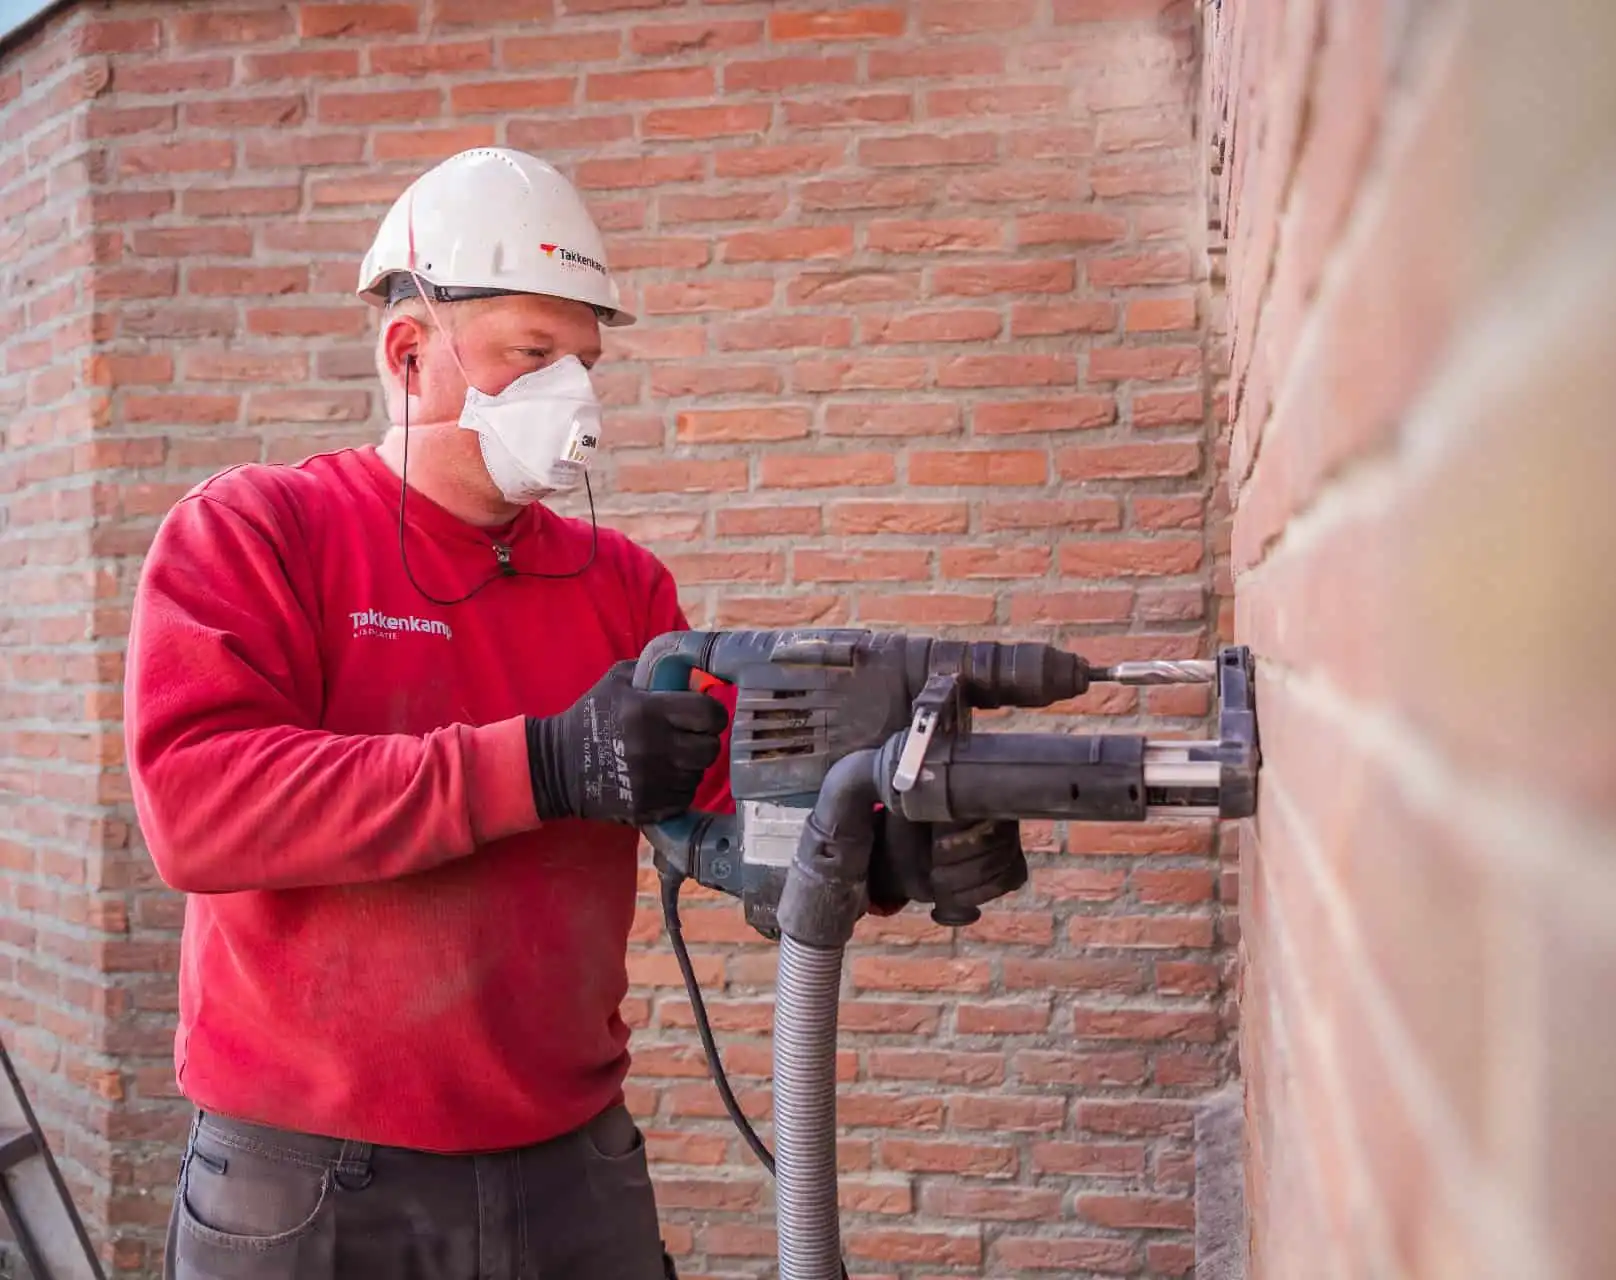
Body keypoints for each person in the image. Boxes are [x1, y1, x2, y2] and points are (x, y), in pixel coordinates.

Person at [122, 148, 1022, 1280]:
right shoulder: (258, 530)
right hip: (311, 1181)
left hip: (571, 1168)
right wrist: (542, 765)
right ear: (412, 354)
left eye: (583, 360)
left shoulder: (624, 587)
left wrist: (886, 846)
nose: (575, 393)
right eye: (532, 355)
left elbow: (725, 809)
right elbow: (200, 808)